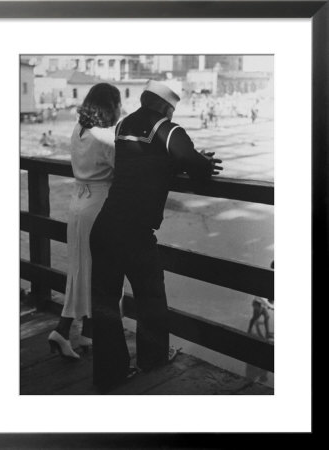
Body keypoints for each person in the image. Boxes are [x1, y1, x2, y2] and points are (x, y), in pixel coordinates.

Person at [90, 80, 223, 391]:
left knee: (106, 305)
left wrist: (180, 160)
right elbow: (196, 166)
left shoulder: (123, 126)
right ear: (167, 107)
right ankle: (152, 360)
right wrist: (202, 161)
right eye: (171, 109)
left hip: (105, 226)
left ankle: (110, 374)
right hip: (135, 233)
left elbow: (145, 161)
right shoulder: (170, 130)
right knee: (151, 297)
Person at [48, 83, 122, 359]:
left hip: (77, 203)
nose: (120, 110)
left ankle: (85, 333)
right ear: (109, 107)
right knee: (100, 273)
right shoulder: (106, 138)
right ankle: (65, 329)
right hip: (99, 205)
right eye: (117, 105)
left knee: (80, 269)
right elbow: (124, 170)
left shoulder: (79, 131)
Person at [247, 261, 274, 339]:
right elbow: (261, 296)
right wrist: (270, 305)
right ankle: (249, 330)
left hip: (261, 303)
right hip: (258, 303)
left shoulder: (268, 277)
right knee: (255, 317)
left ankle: (267, 333)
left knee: (267, 316)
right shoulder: (268, 279)